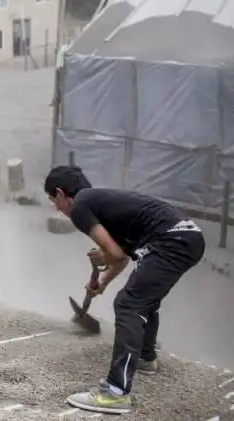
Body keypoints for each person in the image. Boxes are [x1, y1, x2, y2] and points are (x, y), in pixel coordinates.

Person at [44, 165, 205, 415]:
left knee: (128, 304)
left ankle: (115, 393)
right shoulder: (104, 204)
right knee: (143, 299)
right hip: (187, 237)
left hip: (170, 241)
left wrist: (103, 256)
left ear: (60, 193)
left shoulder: (80, 207)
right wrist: (102, 283)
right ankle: (145, 357)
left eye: (54, 201)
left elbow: (114, 254)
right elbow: (121, 258)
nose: (57, 208)